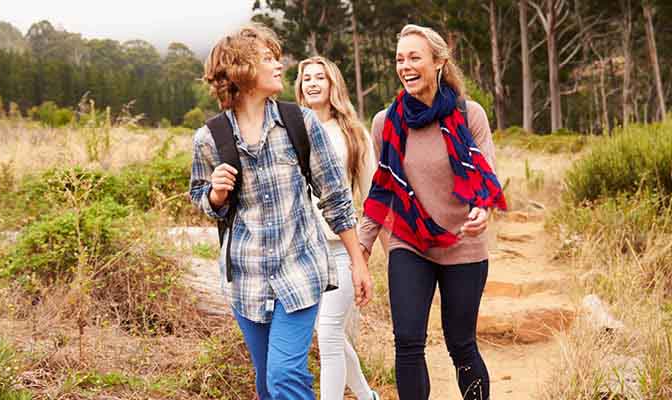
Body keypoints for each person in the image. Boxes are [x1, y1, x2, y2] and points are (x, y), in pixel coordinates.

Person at [188, 24, 373, 400]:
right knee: (267, 383)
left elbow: (336, 197)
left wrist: (358, 262)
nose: (280, 65)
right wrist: (217, 195)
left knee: (285, 374)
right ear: (241, 71)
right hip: (247, 280)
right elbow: (199, 195)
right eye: (268, 59)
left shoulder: (299, 124)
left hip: (300, 271)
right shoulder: (209, 138)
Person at [359, 24, 508, 400]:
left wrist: (482, 207)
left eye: (414, 57)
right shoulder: (385, 123)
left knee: (461, 344)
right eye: (399, 59)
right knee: (407, 341)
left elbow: (486, 176)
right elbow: (384, 187)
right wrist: (360, 247)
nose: (405, 66)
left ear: (438, 62)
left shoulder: (468, 114)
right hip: (409, 244)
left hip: (463, 245)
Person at [294, 56, 380, 400]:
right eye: (306, 79)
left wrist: (363, 248)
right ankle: (366, 396)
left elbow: (373, 192)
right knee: (328, 331)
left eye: (320, 78)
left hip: (341, 244)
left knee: (329, 333)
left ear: (333, 85)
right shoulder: (291, 128)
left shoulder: (353, 133)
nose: (312, 83)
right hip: (301, 247)